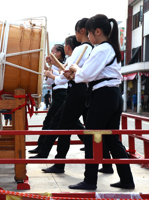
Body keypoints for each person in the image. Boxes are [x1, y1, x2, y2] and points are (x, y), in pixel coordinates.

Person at [67, 14, 134, 190]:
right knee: (112, 139)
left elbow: (86, 75)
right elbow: (89, 75)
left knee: (91, 137)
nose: (88, 37)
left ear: (97, 31)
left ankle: (90, 180)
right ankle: (127, 179)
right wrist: (77, 74)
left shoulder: (102, 49)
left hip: (104, 96)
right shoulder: (109, 48)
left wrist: (75, 69)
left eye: (89, 33)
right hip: (112, 95)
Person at [33, 19, 93, 174]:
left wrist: (57, 71)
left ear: (81, 31)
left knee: (64, 126)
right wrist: (58, 69)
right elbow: (65, 72)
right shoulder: (92, 49)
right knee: (81, 127)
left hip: (76, 91)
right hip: (84, 91)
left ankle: (59, 163)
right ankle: (104, 161)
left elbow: (65, 73)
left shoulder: (83, 48)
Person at [28, 44, 67, 154]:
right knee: (58, 122)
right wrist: (47, 68)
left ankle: (42, 148)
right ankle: (41, 147)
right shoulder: (54, 65)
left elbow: (59, 78)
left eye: (52, 51)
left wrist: (50, 69)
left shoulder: (63, 65)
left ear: (58, 53)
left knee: (50, 121)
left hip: (62, 94)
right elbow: (49, 81)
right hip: (57, 94)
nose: (51, 53)